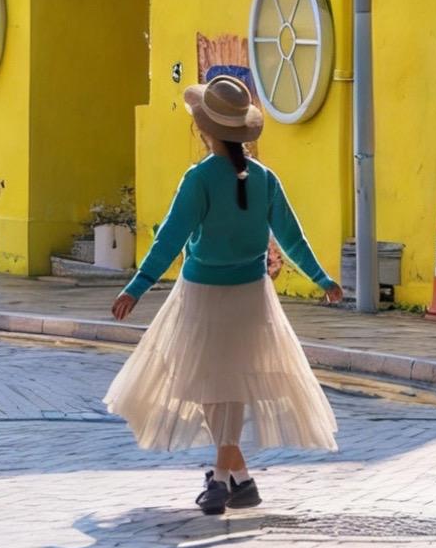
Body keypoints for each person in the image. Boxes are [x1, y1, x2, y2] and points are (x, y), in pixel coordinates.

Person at [106, 73, 344, 516]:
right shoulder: (265, 179)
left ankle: (219, 480)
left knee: (210, 385)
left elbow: (169, 241)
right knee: (228, 385)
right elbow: (292, 238)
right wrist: (322, 279)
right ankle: (240, 478)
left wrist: (136, 289)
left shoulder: (197, 179)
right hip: (253, 296)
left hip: (201, 294)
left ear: (203, 129)